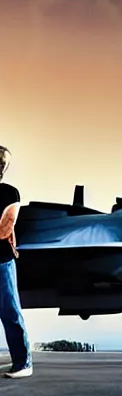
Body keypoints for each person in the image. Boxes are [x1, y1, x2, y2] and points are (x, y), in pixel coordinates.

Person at [0, 145, 32, 378]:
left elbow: (4, 229)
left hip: (1, 261)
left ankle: (23, 364)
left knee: (10, 312)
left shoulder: (9, 193)